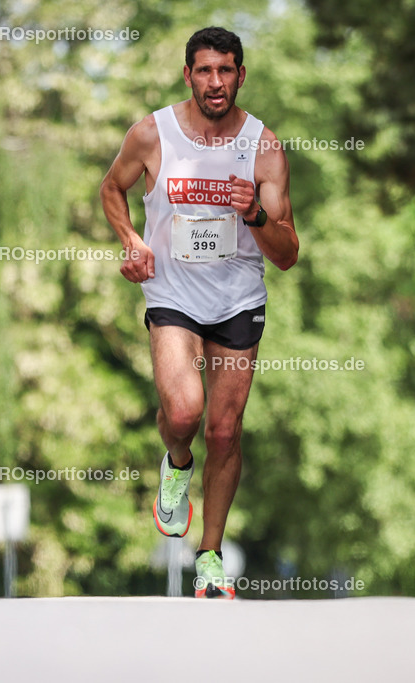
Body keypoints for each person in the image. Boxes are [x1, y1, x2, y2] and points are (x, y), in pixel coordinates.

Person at [99, 27, 298, 598]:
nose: (216, 82)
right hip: (173, 294)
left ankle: (209, 556)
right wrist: (132, 243)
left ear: (241, 75)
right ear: (188, 74)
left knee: (226, 428)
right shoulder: (151, 133)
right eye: (205, 71)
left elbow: (287, 254)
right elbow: (112, 189)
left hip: (237, 297)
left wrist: (257, 215)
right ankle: (177, 461)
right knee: (185, 414)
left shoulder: (264, 147)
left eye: (227, 70)